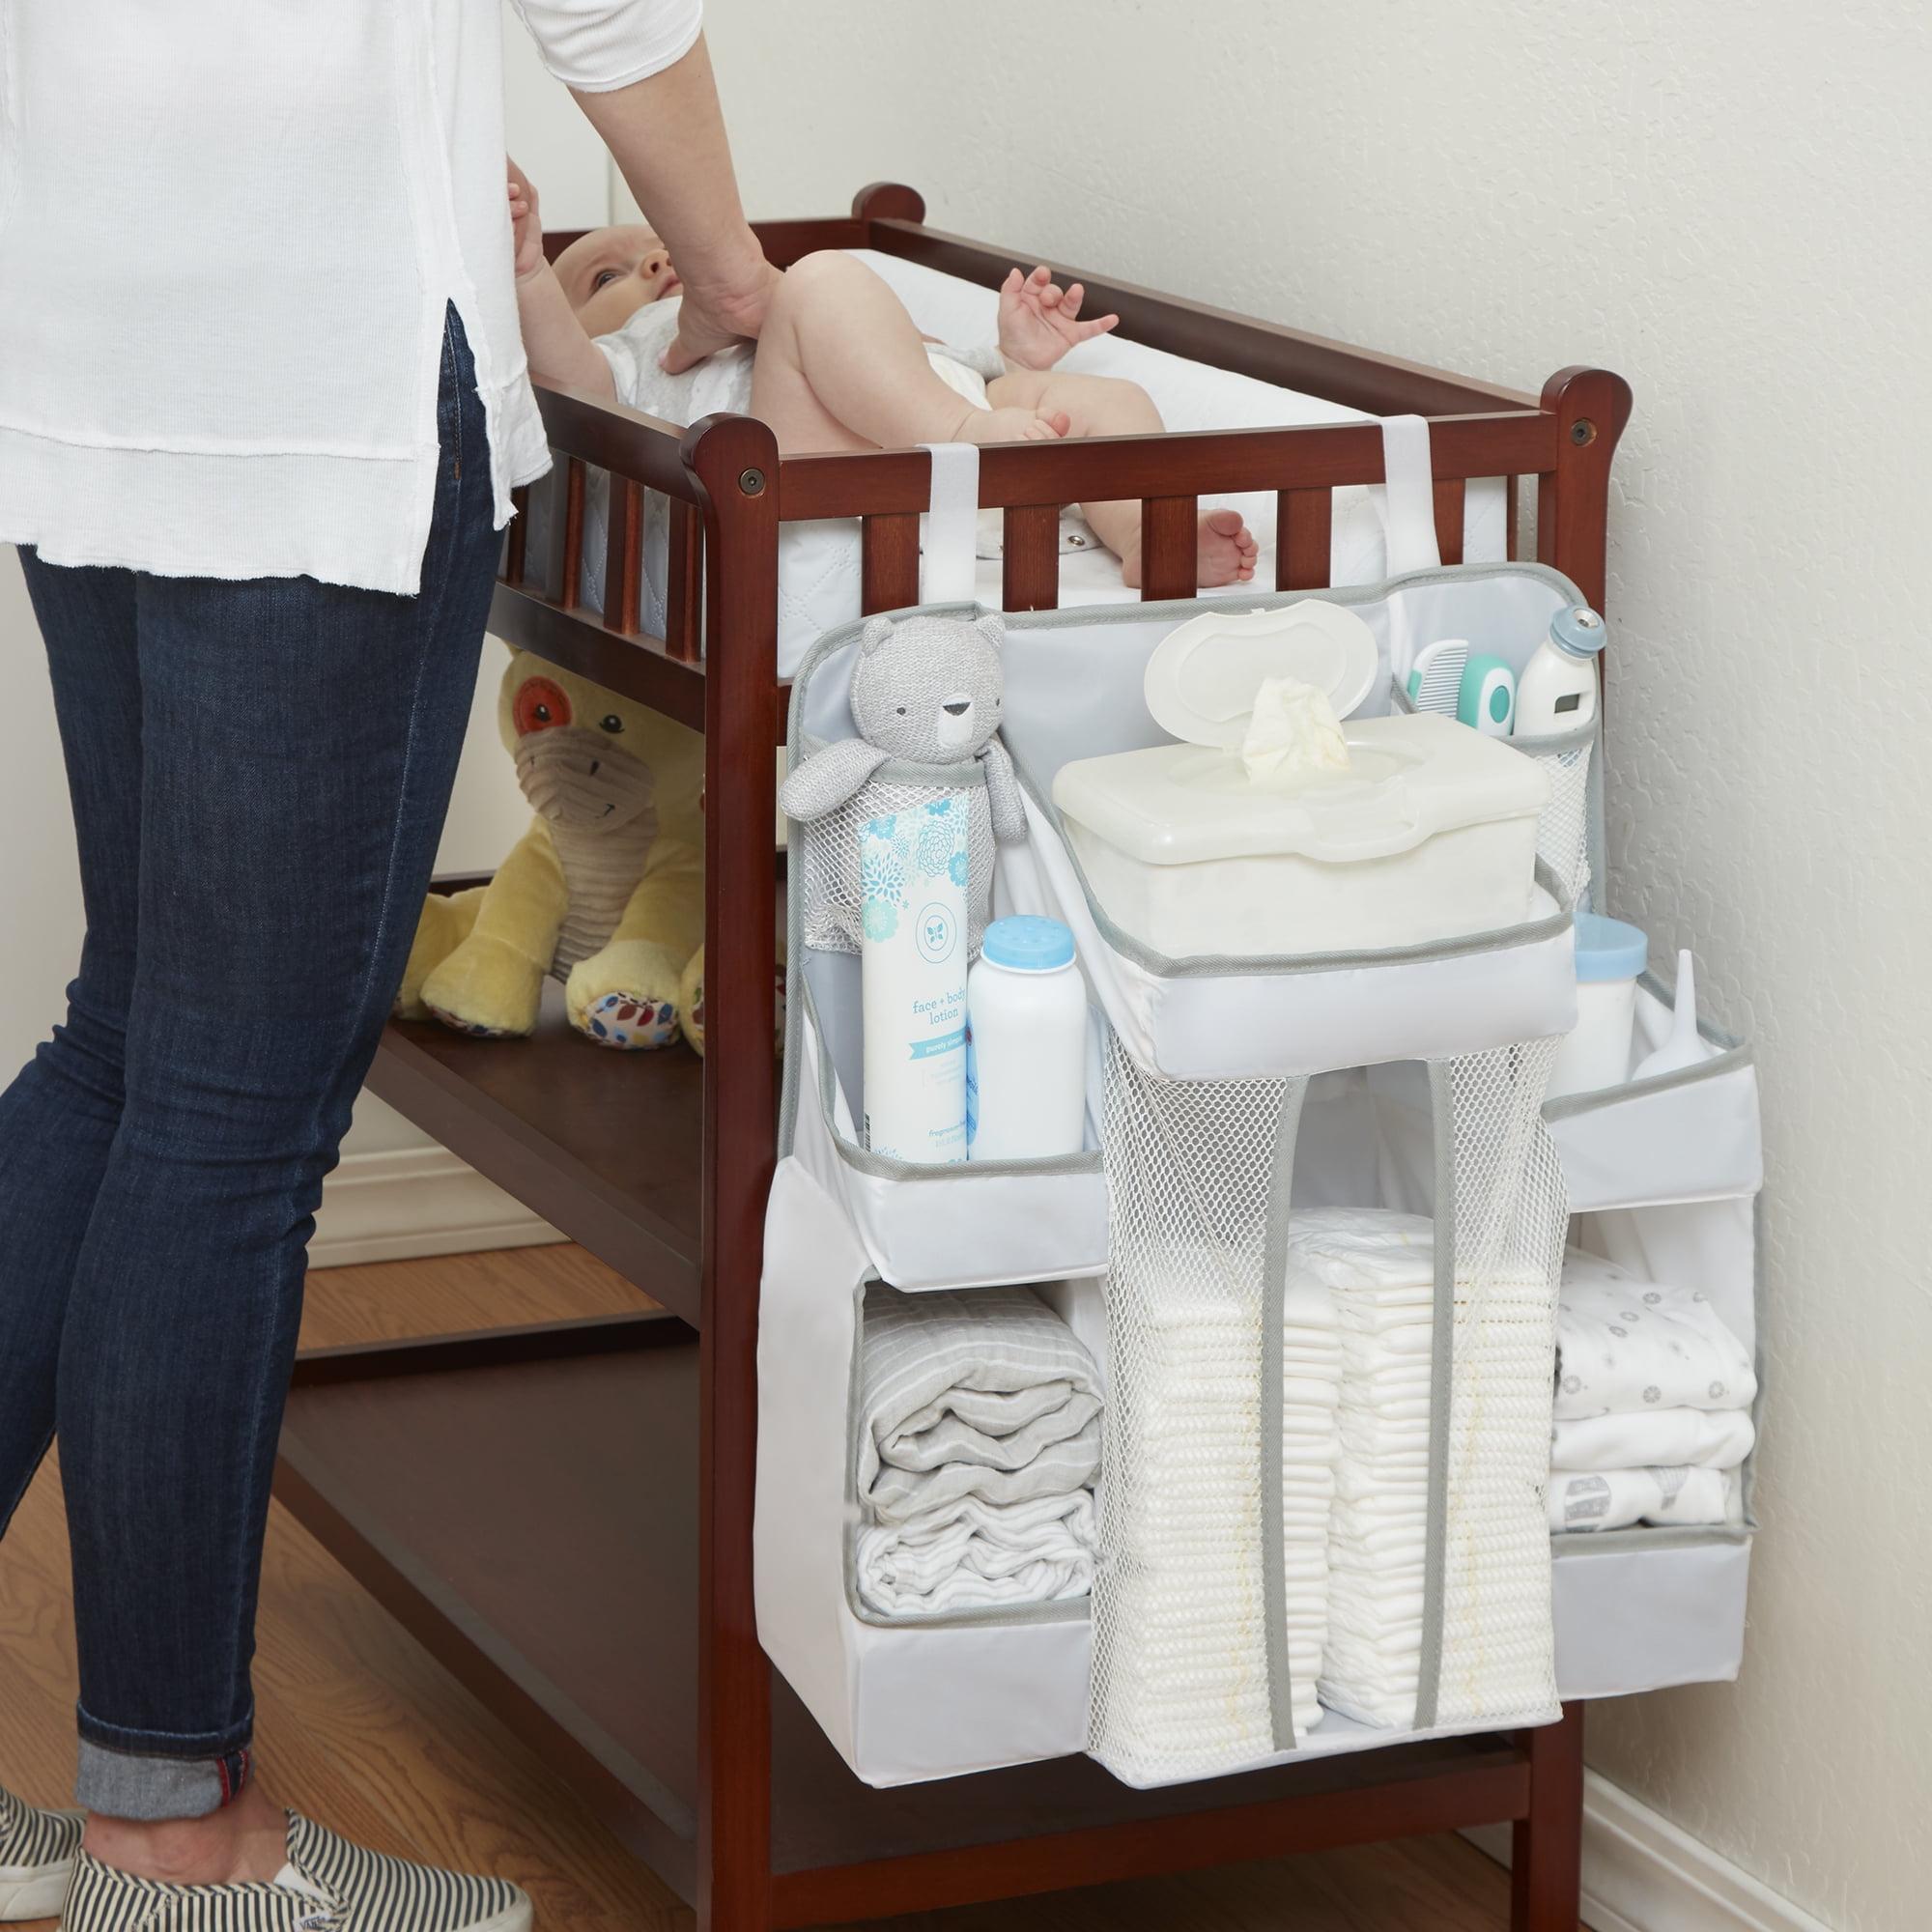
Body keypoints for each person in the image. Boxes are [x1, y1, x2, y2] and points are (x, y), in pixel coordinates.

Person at [0, 6, 769, 1927]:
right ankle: (175, 1838)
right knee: (227, 1108)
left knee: (128, 1043)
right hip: (318, 367)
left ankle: (156, 1804)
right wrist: (740, 280)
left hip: (86, 336)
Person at [508, 171, 1261, 589]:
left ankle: (1143, 533)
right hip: (820, 474)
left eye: (664, 245)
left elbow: (913, 362)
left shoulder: (756, 292)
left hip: (968, 441)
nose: (654, 262)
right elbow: (565, 374)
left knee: (1110, 401)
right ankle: (968, 441)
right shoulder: (629, 353)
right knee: (826, 283)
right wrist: (525, 269)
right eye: (605, 275)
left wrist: (1011, 358)